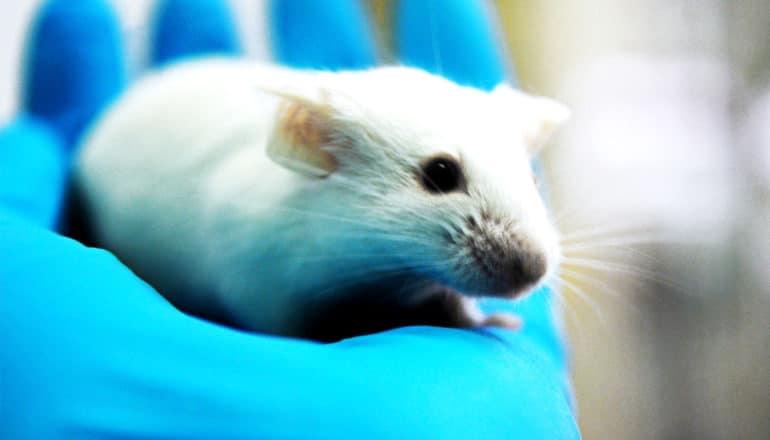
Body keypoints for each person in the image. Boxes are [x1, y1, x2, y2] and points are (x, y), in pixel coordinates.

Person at [0, 0, 579, 438]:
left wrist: (455, 309)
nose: (527, 257)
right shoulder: (261, 218)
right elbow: (259, 292)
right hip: (119, 187)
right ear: (312, 144)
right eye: (440, 176)